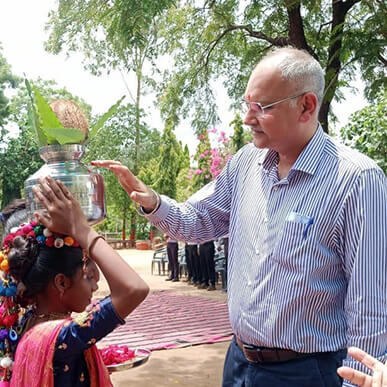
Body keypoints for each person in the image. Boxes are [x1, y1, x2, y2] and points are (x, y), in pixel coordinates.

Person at [92, 46, 386, 387]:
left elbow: (372, 310)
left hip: (307, 373)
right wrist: (154, 202)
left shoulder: (356, 181)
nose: (248, 118)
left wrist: (359, 381)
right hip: (240, 363)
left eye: (262, 107)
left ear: (306, 106)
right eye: (247, 105)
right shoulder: (247, 164)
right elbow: (198, 220)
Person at [4, 176, 149, 386]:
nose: (95, 285)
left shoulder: (27, 320)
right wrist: (81, 228)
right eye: (88, 276)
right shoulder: (65, 337)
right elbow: (134, 289)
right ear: (61, 282)